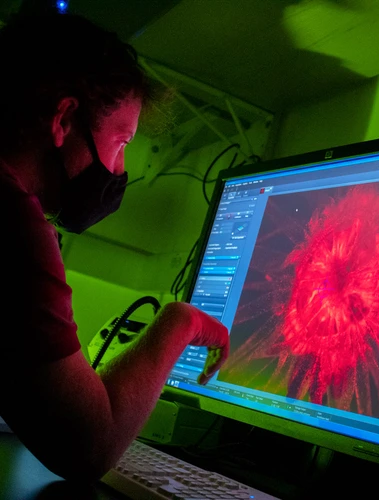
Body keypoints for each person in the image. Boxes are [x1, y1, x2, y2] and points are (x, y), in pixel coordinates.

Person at [0, 12, 229, 482]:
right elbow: (87, 448)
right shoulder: (11, 225)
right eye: (121, 141)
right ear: (64, 119)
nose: (120, 169)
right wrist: (179, 321)